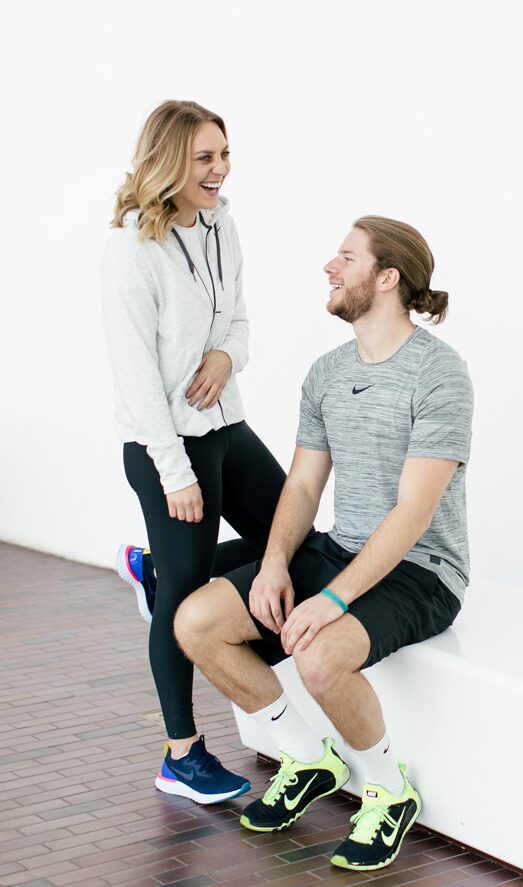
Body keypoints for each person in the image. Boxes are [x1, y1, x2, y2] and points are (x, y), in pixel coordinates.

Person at [173, 215, 474, 871]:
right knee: (196, 621)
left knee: (317, 655)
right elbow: (304, 485)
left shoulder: (439, 373)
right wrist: (276, 563)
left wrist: (333, 600)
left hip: (423, 571)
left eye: (346, 257)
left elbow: (414, 511)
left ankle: (389, 792)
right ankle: (307, 755)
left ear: (386, 276)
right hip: (341, 548)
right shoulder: (328, 372)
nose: (329, 268)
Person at [101, 99, 290, 805]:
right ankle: (180, 753)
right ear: (169, 161)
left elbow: (240, 320)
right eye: (205, 157)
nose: (220, 170)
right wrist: (173, 472)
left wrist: (224, 354)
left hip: (224, 426)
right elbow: (136, 376)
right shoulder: (130, 248)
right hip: (166, 447)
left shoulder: (222, 225)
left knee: (291, 540)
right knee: (183, 601)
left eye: (224, 153)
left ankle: (157, 568)